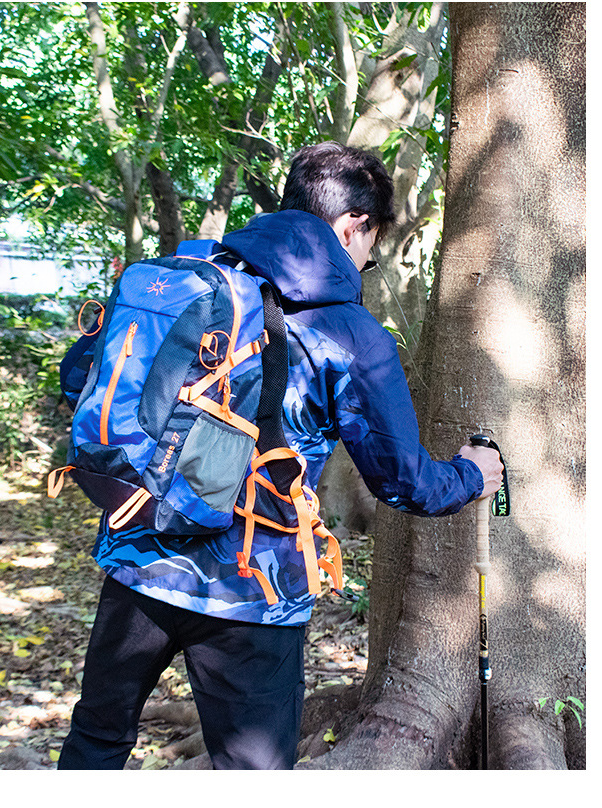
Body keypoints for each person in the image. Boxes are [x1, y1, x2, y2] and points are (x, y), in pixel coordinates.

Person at [57, 141, 504, 771]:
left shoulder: (198, 278)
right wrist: (472, 476)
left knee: (96, 739)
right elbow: (405, 482)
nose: (365, 262)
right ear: (353, 225)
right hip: (252, 591)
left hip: (138, 554)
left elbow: (79, 379)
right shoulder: (350, 333)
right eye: (371, 248)